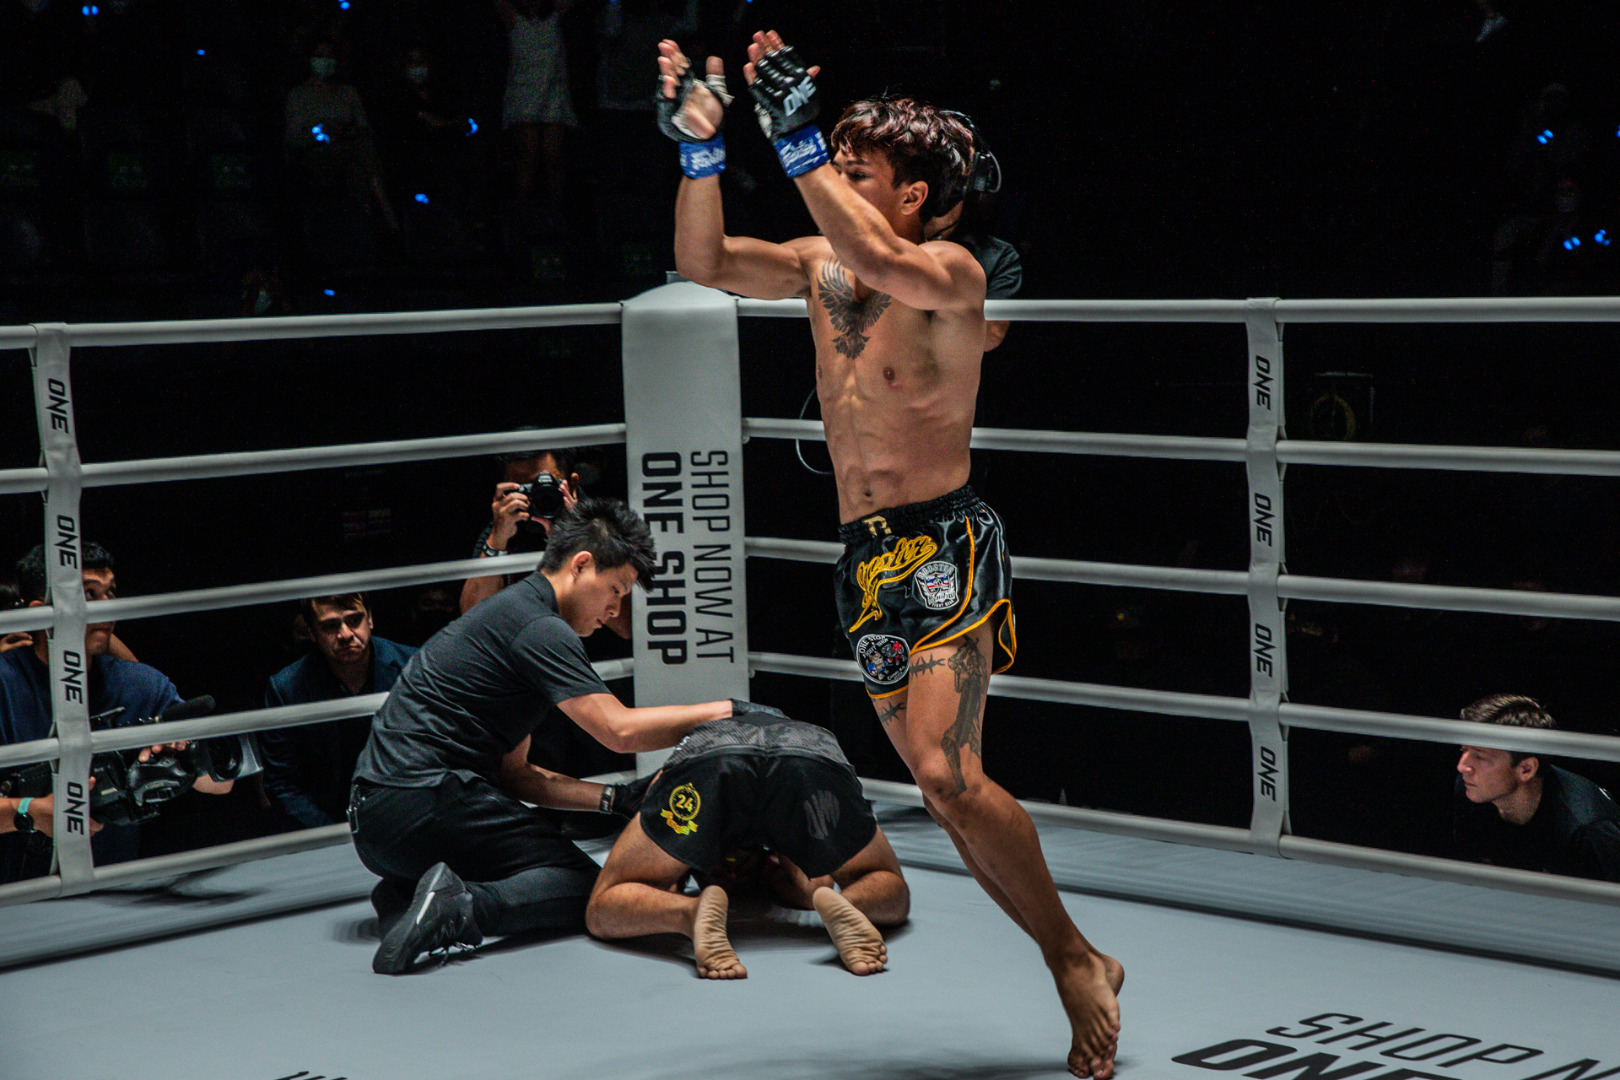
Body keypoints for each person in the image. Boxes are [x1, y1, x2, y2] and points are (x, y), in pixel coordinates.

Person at [657, 33, 1121, 1078]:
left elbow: (882, 263)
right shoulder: (819, 264)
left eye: (854, 172)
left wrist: (795, 141)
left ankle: (1071, 959)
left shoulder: (950, 272)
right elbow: (704, 263)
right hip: (864, 560)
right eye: (833, 166)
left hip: (947, 546)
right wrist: (700, 148)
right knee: (937, 789)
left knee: (951, 773)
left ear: (914, 195)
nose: (832, 183)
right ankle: (1080, 955)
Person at [349, 497, 734, 974]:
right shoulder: (540, 627)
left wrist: (615, 799)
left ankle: (402, 897)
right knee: (592, 890)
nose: (615, 609)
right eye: (616, 590)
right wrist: (727, 711)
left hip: (377, 822)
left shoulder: (516, 612)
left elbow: (518, 777)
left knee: (541, 858)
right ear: (581, 564)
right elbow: (619, 731)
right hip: (422, 799)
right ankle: (462, 907)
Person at [586, 700, 909, 979]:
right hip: (807, 751)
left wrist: (676, 887)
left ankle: (687, 913)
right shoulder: (779, 848)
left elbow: (621, 900)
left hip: (714, 757)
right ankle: (851, 904)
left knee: (602, 908)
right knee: (883, 880)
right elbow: (814, 889)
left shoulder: (666, 783)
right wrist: (776, 875)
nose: (732, 874)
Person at [1, 543, 233, 884]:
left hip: (118, 889)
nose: (107, 606)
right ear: (40, 612)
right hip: (18, 898)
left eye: (110, 593)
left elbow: (220, 785)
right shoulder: (6, 684)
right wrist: (27, 812)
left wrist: (187, 760)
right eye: (89, 594)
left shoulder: (141, 684)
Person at [260, 593, 415, 829]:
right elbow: (283, 786)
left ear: (370, 619)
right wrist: (336, 837)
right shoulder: (286, 690)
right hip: (328, 823)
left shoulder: (413, 667)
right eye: (330, 626)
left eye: (354, 620)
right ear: (312, 632)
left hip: (409, 817)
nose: (345, 634)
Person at [1453, 693, 1620, 882]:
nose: (1462, 766)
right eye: (1464, 750)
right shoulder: (1472, 789)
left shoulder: (1587, 831)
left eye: (1480, 756)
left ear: (1526, 769)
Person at [460, 447, 581, 614]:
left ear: (572, 484)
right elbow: (472, 615)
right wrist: (497, 540)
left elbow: (617, 620)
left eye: (545, 486)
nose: (535, 498)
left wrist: (572, 539)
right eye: (525, 489)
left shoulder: (599, 524)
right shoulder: (503, 524)